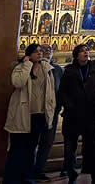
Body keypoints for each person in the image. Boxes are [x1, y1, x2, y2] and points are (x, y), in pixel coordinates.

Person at [3, 43, 57, 184]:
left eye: (40, 51)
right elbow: (18, 83)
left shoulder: (47, 69)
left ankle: (26, 177)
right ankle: (12, 179)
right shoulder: (20, 67)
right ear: (29, 54)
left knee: (31, 149)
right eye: (36, 51)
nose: (39, 53)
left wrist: (49, 112)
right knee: (17, 149)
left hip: (39, 115)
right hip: (23, 114)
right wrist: (27, 65)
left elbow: (50, 93)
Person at [58, 43, 95, 184]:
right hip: (72, 114)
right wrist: (69, 104)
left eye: (87, 50)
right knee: (70, 146)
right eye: (82, 51)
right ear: (76, 55)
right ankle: (71, 172)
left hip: (91, 113)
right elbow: (62, 91)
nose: (85, 52)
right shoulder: (69, 70)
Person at [33, 45, 63, 181]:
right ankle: (28, 170)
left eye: (49, 50)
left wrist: (59, 106)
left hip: (52, 113)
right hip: (35, 113)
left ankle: (39, 170)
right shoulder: (32, 67)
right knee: (32, 142)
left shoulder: (57, 70)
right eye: (42, 50)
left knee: (47, 142)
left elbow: (62, 90)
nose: (46, 52)